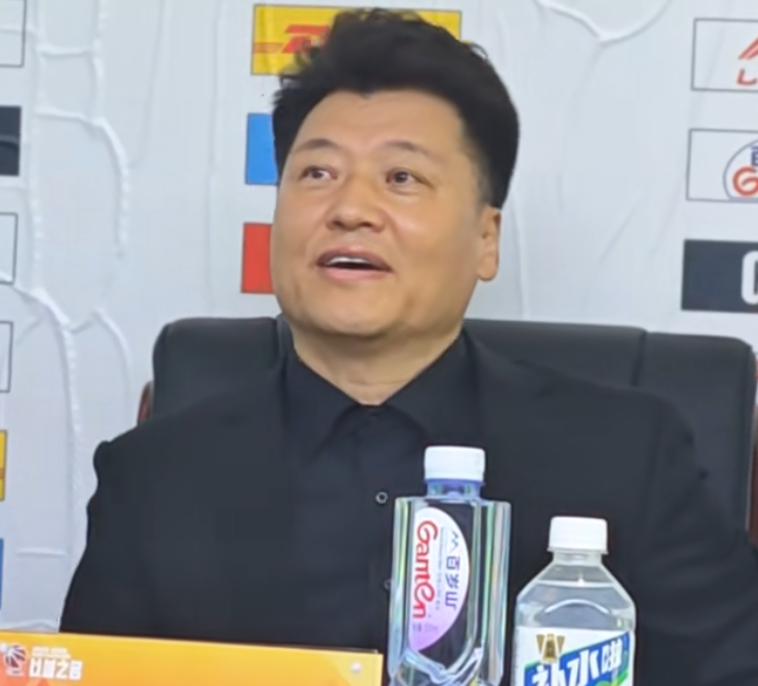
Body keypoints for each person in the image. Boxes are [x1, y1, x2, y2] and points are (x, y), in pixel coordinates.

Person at [60, 9, 758, 685]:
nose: (349, 209)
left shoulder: (625, 456)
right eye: (317, 174)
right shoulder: (152, 481)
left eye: (402, 178)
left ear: (486, 239)